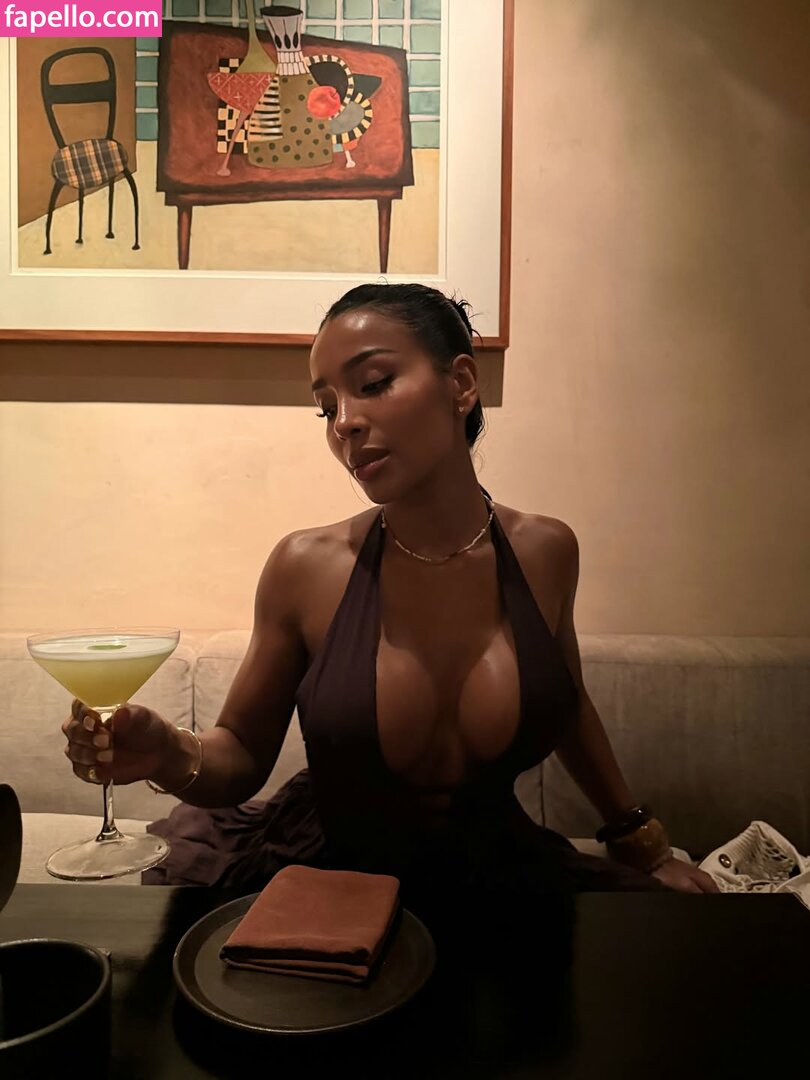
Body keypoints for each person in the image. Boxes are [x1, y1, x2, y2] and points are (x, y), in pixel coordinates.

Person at [63, 283, 718, 921]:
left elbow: (567, 704)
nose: (344, 423)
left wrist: (642, 842)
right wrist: (169, 753)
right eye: (325, 407)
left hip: (497, 876)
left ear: (461, 383)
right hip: (327, 876)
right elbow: (240, 754)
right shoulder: (306, 566)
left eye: (373, 383)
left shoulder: (547, 551)